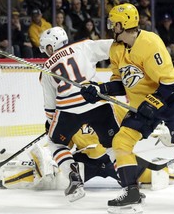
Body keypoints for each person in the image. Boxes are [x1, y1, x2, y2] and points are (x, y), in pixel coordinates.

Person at [81, 3, 174, 214]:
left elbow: (168, 82)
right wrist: (99, 89)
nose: (111, 26)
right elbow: (121, 81)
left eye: (114, 23)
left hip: (170, 101)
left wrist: (152, 103)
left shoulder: (150, 42)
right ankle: (132, 192)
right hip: (143, 105)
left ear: (124, 24)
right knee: (121, 141)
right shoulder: (116, 49)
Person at [0, 104, 174, 191]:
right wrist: (49, 157)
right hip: (86, 163)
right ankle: (7, 179)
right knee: (54, 181)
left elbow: (134, 123)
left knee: (159, 176)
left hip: (114, 159)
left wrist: (159, 129)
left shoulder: (111, 107)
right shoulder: (71, 116)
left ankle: (162, 167)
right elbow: (62, 145)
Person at [38, 27, 120, 202]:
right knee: (114, 145)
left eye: (46, 48)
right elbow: (113, 47)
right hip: (95, 100)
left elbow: (50, 106)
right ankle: (130, 185)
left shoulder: (46, 68)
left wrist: (50, 123)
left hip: (68, 109)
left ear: (51, 47)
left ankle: (74, 178)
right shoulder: (83, 46)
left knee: (55, 143)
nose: (47, 53)